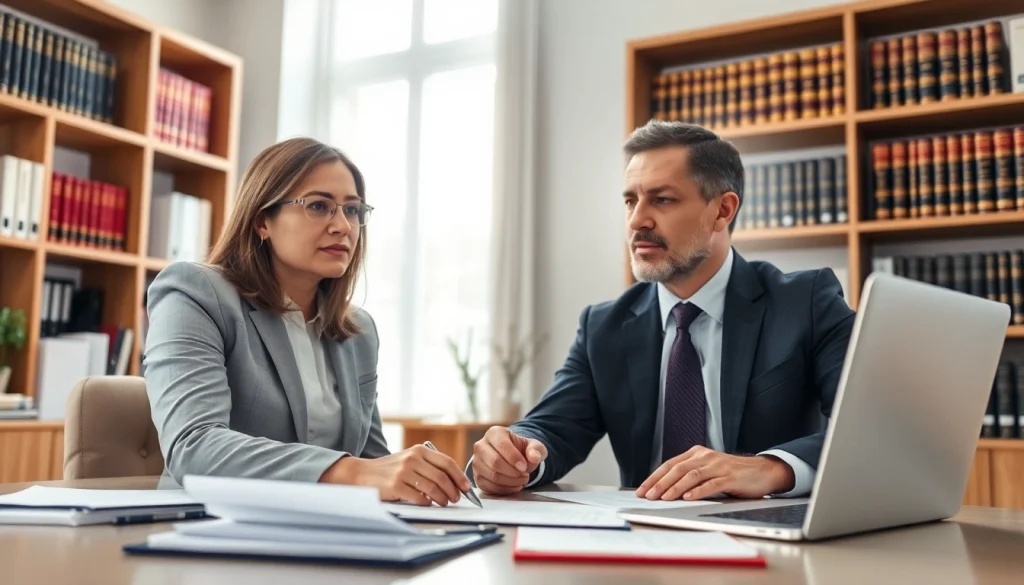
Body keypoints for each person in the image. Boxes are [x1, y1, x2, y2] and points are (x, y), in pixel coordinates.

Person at [470, 120, 855, 501]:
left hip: (772, 540)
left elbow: (868, 430)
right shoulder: (604, 325)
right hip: (645, 538)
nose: (637, 220)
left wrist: (771, 468)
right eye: (630, 201)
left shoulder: (805, 302)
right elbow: (552, 427)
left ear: (722, 210)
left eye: (663, 199)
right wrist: (514, 454)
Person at [144, 137, 470, 507]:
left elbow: (376, 462)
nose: (343, 226)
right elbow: (194, 446)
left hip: (326, 536)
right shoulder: (195, 293)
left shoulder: (359, 332)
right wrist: (351, 472)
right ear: (261, 221)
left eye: (352, 210)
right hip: (208, 531)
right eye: (319, 206)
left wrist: (420, 480)